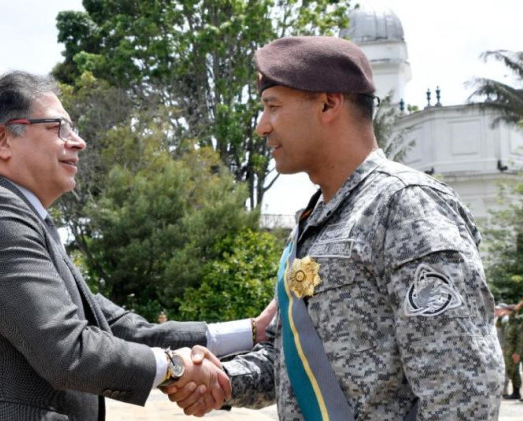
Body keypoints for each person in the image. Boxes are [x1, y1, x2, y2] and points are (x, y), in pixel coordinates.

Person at [176, 36, 504, 420]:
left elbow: (461, 389)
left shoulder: (404, 206)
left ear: (328, 104)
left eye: (272, 107)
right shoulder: (314, 222)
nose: (262, 127)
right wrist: (226, 380)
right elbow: (292, 358)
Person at [0, 71, 273, 420]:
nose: (78, 142)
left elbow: (120, 328)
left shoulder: (20, 217)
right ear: (1, 140)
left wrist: (252, 331)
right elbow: (67, 350)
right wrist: (175, 367)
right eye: (58, 128)